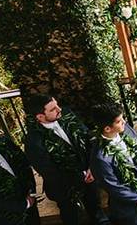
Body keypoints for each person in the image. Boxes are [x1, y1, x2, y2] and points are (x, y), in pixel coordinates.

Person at [24, 94, 108, 225]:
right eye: (52, 109)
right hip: (64, 189)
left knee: (97, 212)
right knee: (72, 218)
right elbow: (49, 171)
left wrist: (92, 166)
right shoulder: (34, 142)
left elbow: (88, 139)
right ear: (40, 117)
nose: (59, 109)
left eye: (57, 105)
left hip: (89, 176)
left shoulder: (67, 114)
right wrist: (81, 176)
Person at [88, 103, 137, 225]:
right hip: (128, 209)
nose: (124, 122)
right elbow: (114, 187)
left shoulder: (127, 130)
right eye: (119, 121)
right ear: (107, 129)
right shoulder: (100, 158)